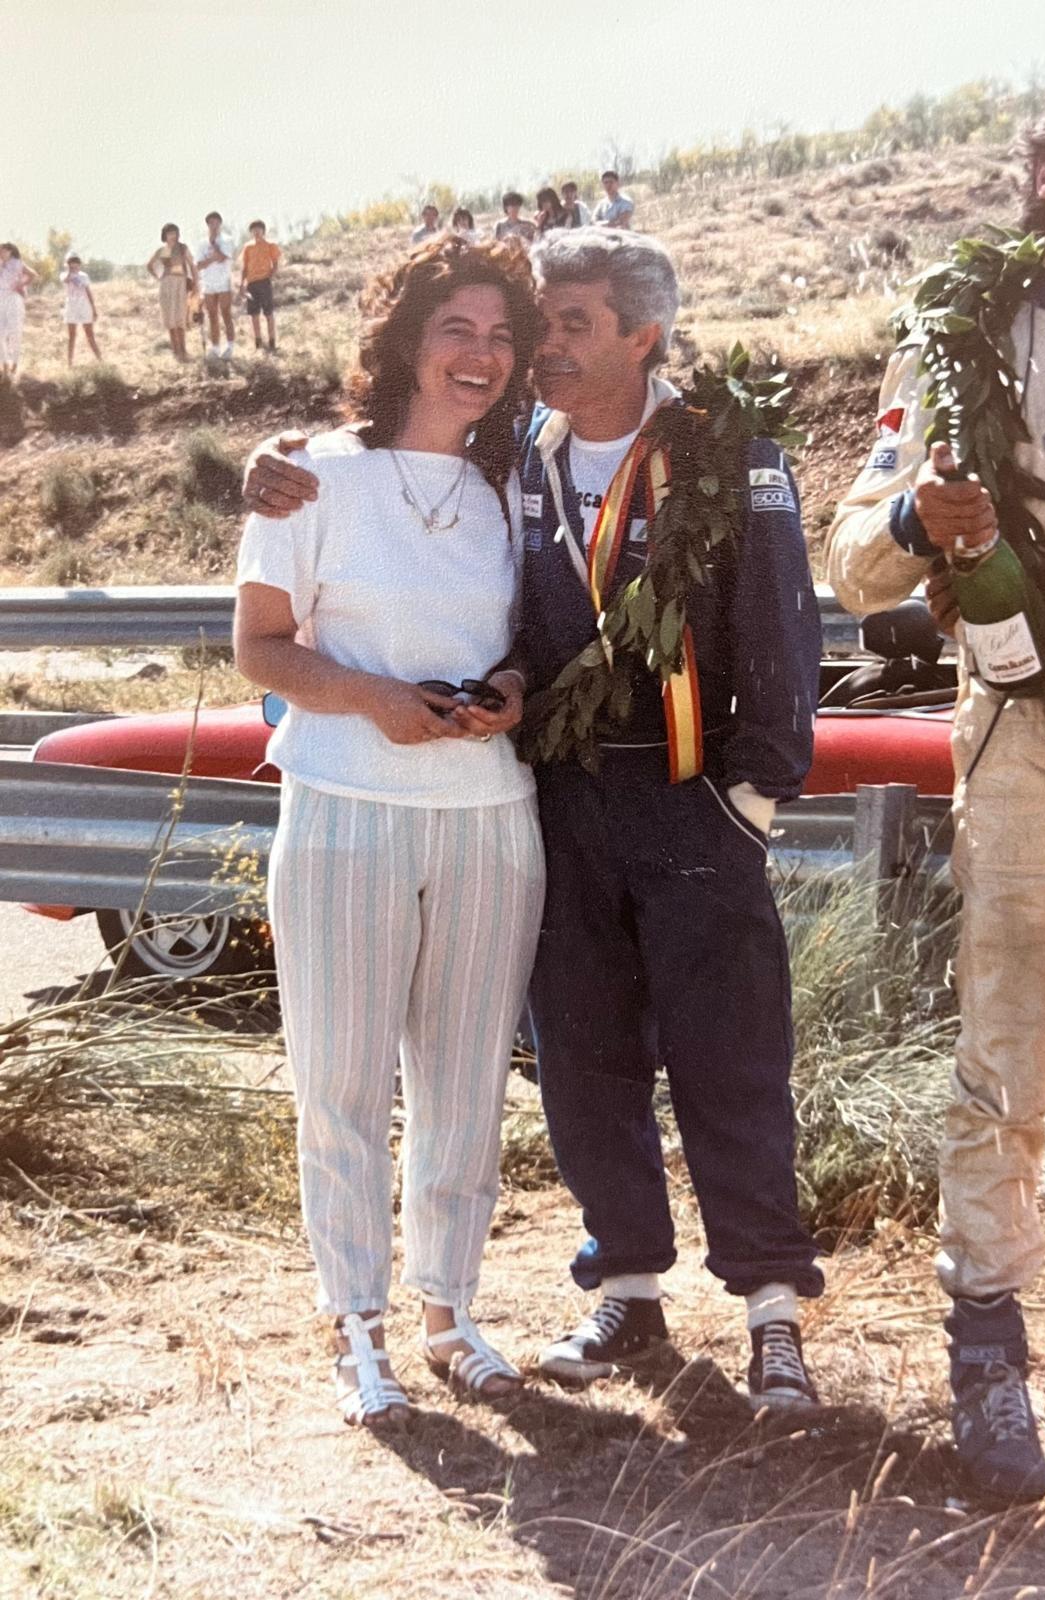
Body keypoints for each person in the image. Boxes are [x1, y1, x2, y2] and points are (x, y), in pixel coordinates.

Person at [243, 228, 825, 1409]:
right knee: (580, 1064)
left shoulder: (708, 453)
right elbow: (320, 593)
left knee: (722, 1059)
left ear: (640, 334)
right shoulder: (502, 461)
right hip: (543, 807)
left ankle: (767, 1306)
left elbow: (777, 629)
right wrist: (266, 467)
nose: (527, 350)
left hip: (666, 802)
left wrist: (751, 798)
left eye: (558, 326)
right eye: (522, 325)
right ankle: (622, 1285)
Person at [234, 236, 545, 1430]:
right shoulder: (309, 477)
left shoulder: (512, 488)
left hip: (488, 818)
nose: (481, 355)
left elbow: (532, 636)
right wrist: (374, 699)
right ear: (407, 338)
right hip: (345, 812)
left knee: (466, 1077)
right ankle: (354, 1323)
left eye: (501, 336)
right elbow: (259, 648)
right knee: (344, 1080)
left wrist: (509, 691)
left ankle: (448, 1311)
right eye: (457, 328)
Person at [826, 83, 1045, 1503]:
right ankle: (984, 1349)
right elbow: (854, 552)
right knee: (1008, 1053)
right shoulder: (962, 344)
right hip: (1025, 749)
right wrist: (921, 517)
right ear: (1041, 172)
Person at [147, 224, 196, 362]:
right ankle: (176, 353)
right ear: (165, 235)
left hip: (180, 282)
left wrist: (195, 284)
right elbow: (149, 265)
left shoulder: (182, 248)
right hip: (167, 284)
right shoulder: (163, 250)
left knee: (180, 318)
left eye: (174, 233)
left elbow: (192, 266)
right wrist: (159, 277)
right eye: (169, 233)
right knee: (170, 319)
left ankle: (183, 351)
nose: (172, 236)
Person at [195, 211, 235, 359]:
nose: (213, 226)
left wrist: (213, 247)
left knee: (226, 313)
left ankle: (230, 347)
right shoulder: (201, 243)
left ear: (220, 223)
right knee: (212, 315)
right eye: (211, 223)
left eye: (216, 222)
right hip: (208, 283)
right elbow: (198, 265)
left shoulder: (227, 239)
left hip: (223, 281)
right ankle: (216, 347)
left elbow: (223, 257)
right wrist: (212, 259)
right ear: (207, 224)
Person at [238, 220, 282, 355]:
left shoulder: (270, 245)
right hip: (251, 284)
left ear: (263, 231)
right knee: (254, 314)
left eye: (259, 230)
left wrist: (270, 276)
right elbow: (245, 267)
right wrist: (242, 284)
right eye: (253, 230)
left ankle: (272, 342)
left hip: (264, 282)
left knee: (268, 313)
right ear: (251, 232)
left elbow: (275, 263)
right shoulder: (248, 247)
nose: (256, 232)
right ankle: (258, 343)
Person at [0, 244, 37, 375]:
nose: (1, 253)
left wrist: (21, 284)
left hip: (14, 299)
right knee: (0, 334)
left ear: (10, 251)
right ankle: (4, 363)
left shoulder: (17, 263)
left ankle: (14, 364)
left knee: (15, 332)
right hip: (1, 300)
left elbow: (33, 274)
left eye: (3, 250)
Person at [60, 254, 101, 366]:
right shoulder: (64, 275)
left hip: (84, 305)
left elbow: (88, 292)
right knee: (72, 336)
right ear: (68, 266)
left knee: (90, 335)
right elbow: (66, 280)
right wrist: (69, 271)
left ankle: (100, 360)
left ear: (79, 265)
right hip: (71, 306)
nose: (75, 268)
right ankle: (70, 363)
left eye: (76, 265)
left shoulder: (84, 276)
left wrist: (94, 309)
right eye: (72, 265)